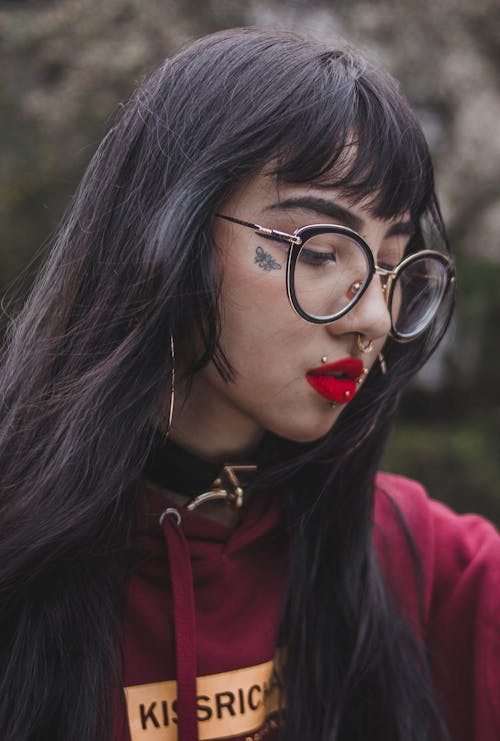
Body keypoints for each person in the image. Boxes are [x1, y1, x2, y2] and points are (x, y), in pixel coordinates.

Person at [0, 26, 498, 741]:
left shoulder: (408, 558)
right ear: (167, 232)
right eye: (322, 251)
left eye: (393, 267)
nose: (374, 318)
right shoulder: (24, 550)